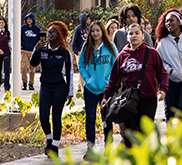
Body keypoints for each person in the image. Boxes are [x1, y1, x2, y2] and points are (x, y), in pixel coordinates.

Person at [103, 23, 168, 147]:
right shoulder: (122, 56)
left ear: (143, 36)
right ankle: (131, 162)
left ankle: (146, 162)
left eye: (137, 33)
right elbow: (113, 80)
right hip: (129, 101)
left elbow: (162, 73)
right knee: (129, 134)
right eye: (131, 33)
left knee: (146, 134)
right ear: (127, 37)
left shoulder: (152, 53)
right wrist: (106, 96)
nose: (134, 36)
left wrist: (163, 89)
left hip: (148, 100)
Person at [30, 21, 74, 157]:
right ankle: (49, 138)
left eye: (53, 32)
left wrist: (70, 92)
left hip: (59, 87)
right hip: (45, 87)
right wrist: (36, 49)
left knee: (56, 116)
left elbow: (70, 73)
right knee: (43, 116)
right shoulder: (42, 49)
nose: (50, 35)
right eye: (48, 32)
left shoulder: (65, 53)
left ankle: (54, 145)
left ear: (59, 35)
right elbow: (33, 63)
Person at [78, 20, 118, 155]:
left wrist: (109, 81)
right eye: (93, 31)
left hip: (105, 90)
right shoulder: (86, 46)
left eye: (98, 30)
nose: (95, 33)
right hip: (90, 89)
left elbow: (116, 65)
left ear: (102, 31)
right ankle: (90, 149)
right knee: (90, 119)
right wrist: (87, 80)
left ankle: (109, 149)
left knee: (107, 119)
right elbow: (82, 65)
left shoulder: (110, 46)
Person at [155, 8, 182, 120]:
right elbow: (159, 63)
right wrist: (169, 71)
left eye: (171, 20)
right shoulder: (163, 43)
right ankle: (172, 137)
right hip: (171, 81)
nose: (168, 23)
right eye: (166, 21)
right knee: (171, 112)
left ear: (180, 21)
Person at [20, 12, 41, 91]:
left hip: (33, 51)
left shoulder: (37, 29)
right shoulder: (23, 28)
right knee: (24, 67)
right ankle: (24, 82)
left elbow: (39, 39)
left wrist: (37, 47)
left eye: (30, 19)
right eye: (27, 19)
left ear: (33, 20)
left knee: (32, 68)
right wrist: (22, 45)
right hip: (24, 50)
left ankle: (31, 83)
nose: (29, 21)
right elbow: (19, 37)